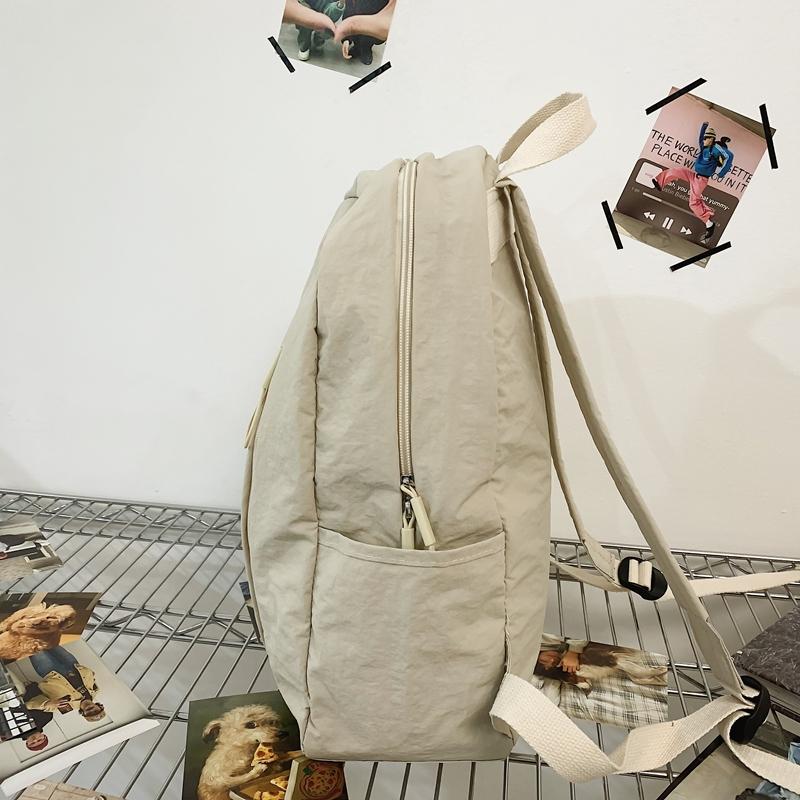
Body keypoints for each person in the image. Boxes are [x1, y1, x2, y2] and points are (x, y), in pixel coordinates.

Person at [652, 121, 734, 243]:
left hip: (701, 180)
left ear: (711, 139)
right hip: (694, 175)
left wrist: (722, 173)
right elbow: (700, 137)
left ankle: (709, 224)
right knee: (677, 171)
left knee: (693, 203)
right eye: (704, 138)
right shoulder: (704, 147)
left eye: (706, 138)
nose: (704, 140)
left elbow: (729, 156)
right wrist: (704, 127)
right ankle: (659, 182)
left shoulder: (714, 150)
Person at [25, 645, 106, 722]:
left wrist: (48, 703)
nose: (91, 710)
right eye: (96, 711)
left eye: (89, 714)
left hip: (48, 670)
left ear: (83, 714)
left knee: (32, 644)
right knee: (47, 639)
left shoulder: (66, 706)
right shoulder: (95, 691)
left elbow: (28, 705)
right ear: (99, 706)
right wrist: (89, 672)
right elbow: (91, 677)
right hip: (71, 664)